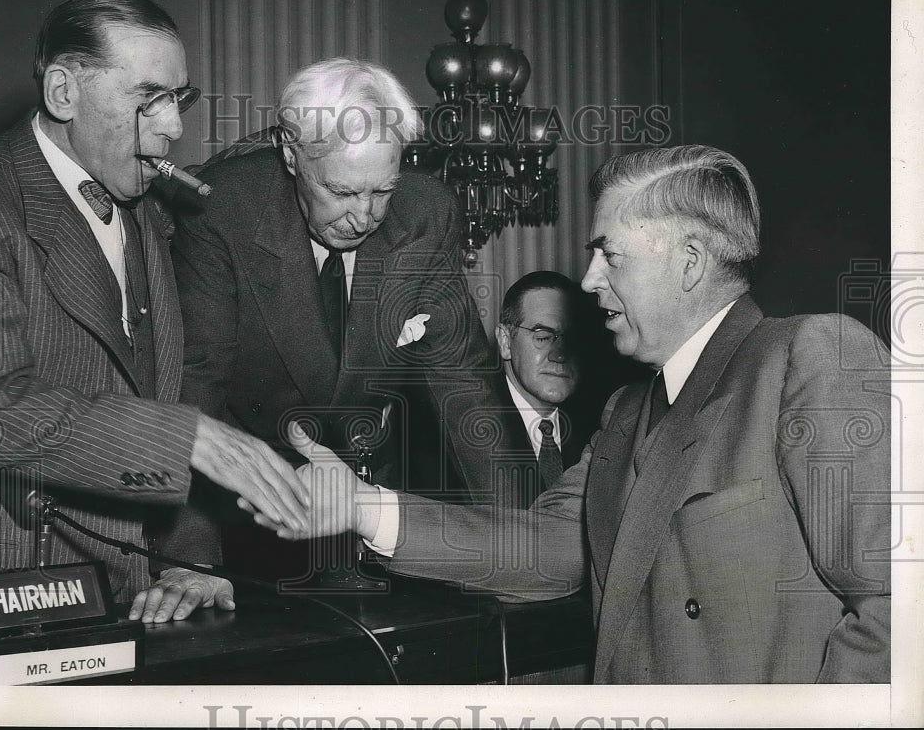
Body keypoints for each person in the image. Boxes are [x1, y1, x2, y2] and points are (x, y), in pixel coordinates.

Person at [254, 144, 891, 684]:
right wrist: (364, 506)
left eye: (610, 255)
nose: (588, 280)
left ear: (689, 263)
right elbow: (549, 552)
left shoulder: (810, 358)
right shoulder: (626, 411)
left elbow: (896, 609)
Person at [0, 0, 309, 625]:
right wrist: (189, 438)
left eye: (178, 100)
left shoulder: (150, 211)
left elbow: (163, 386)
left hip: (129, 593)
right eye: (147, 98)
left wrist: (189, 562)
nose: (174, 127)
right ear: (64, 92)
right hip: (9, 594)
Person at [170, 57, 502, 579]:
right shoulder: (222, 209)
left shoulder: (426, 212)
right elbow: (195, 385)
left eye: (383, 191)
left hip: (370, 492)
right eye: (342, 192)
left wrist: (526, 540)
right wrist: (188, 560)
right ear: (291, 153)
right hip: (249, 504)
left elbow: (467, 385)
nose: (365, 216)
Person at [491, 271, 592, 507]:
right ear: (506, 341)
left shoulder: (602, 426)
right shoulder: (457, 431)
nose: (560, 354)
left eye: (573, 339)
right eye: (544, 337)